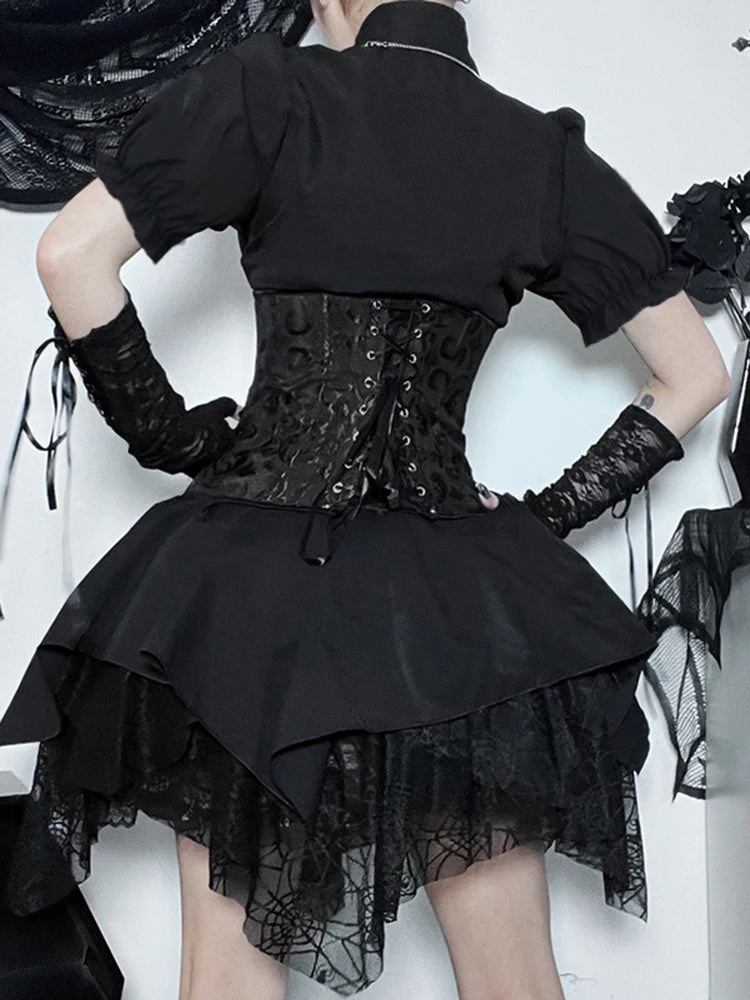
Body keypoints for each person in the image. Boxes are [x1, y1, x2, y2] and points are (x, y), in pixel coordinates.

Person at [0, 1, 731, 998]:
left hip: (247, 599)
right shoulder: (538, 153)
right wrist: (544, 517)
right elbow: (697, 376)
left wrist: (175, 439)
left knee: (226, 977)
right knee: (514, 979)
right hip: (454, 613)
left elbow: (68, 256)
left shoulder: (270, 93)